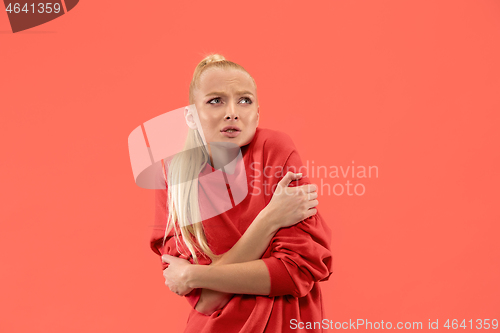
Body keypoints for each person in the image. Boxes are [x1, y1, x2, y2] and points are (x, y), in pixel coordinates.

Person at [150, 53, 333, 332]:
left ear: (257, 113)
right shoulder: (174, 175)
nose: (232, 112)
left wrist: (195, 274)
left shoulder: (275, 149)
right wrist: (270, 219)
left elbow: (295, 272)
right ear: (190, 116)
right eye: (215, 101)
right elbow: (205, 301)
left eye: (244, 100)